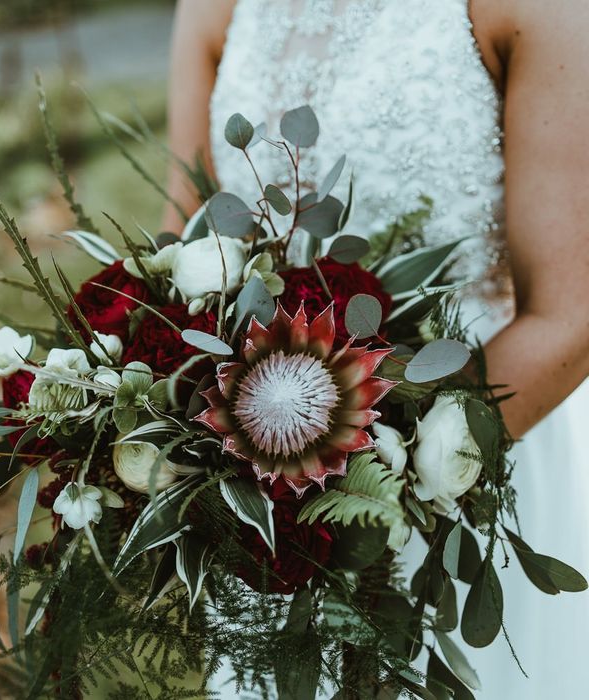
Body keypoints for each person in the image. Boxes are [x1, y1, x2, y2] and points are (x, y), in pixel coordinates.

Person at [162, 0, 589, 697]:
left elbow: (570, 314)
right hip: (260, 481)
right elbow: (188, 245)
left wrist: (386, 484)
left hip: (466, 450)